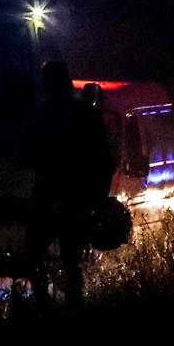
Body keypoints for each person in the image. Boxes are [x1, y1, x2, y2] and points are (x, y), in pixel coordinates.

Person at [23, 60, 114, 307]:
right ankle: (73, 308)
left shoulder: (41, 117)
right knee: (71, 260)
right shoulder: (88, 116)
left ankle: (44, 304)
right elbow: (106, 161)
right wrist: (98, 198)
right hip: (76, 199)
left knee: (33, 256)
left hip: (50, 198)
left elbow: (27, 156)